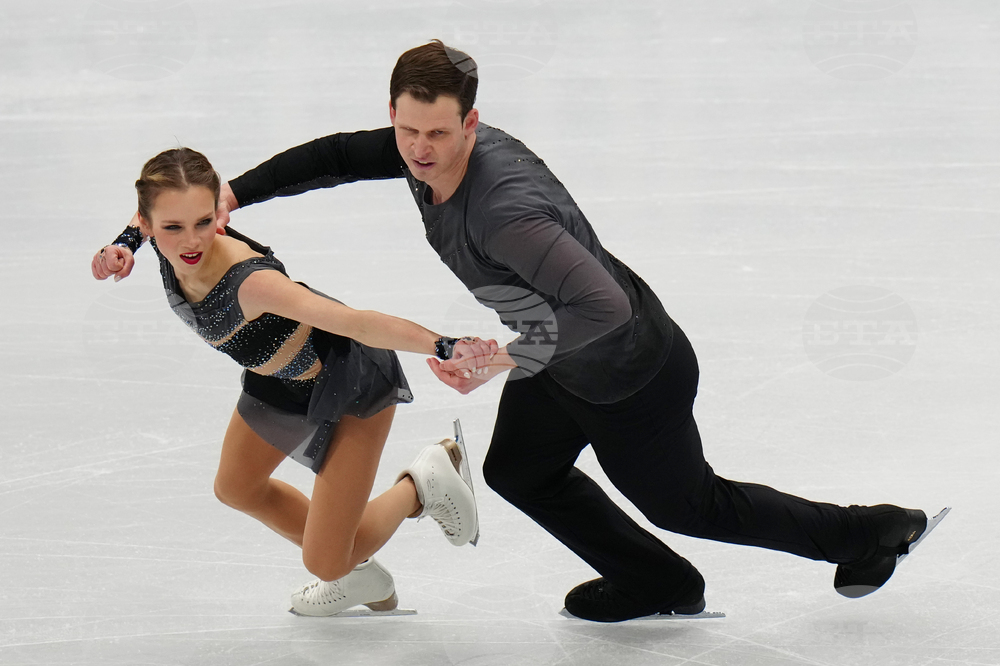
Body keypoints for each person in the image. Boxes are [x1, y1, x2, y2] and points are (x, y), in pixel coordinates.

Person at [100, 42, 934, 623]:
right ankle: (655, 580)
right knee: (518, 470)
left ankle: (868, 530)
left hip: (627, 369)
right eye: (407, 130)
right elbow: (334, 157)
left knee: (686, 501)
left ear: (472, 123)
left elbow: (601, 307)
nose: (418, 151)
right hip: (562, 359)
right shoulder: (416, 149)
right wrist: (232, 199)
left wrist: (500, 357)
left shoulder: (505, 212)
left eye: (438, 133)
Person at [90, 146, 499, 617]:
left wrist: (444, 344)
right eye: (172, 228)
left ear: (218, 213)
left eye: (204, 221)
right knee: (236, 487)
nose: (191, 241)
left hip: (349, 380)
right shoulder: (158, 225)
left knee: (325, 562)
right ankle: (361, 570)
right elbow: (146, 221)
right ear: (148, 220)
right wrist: (122, 244)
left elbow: (358, 323)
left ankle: (422, 485)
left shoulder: (251, 283)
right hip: (278, 380)